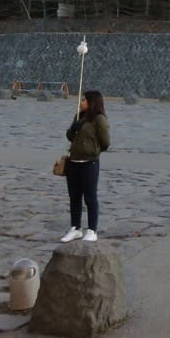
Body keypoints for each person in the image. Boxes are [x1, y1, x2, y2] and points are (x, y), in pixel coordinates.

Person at [60, 90, 111, 243]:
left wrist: (92, 151)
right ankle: (75, 228)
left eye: (84, 100)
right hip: (73, 163)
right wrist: (73, 129)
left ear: (92, 102)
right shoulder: (78, 117)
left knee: (90, 198)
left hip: (89, 164)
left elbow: (106, 142)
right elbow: (70, 136)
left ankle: (92, 230)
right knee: (74, 197)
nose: (81, 102)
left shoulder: (99, 119)